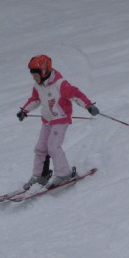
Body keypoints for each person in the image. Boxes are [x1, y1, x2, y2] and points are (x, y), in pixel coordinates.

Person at [17, 54, 99, 190]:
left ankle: (64, 174)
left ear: (44, 71)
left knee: (53, 147)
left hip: (60, 119)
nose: (34, 78)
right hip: (47, 121)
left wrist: (89, 105)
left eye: (35, 75)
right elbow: (35, 100)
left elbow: (75, 94)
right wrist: (24, 110)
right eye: (33, 75)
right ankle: (40, 176)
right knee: (40, 148)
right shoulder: (38, 86)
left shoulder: (59, 84)